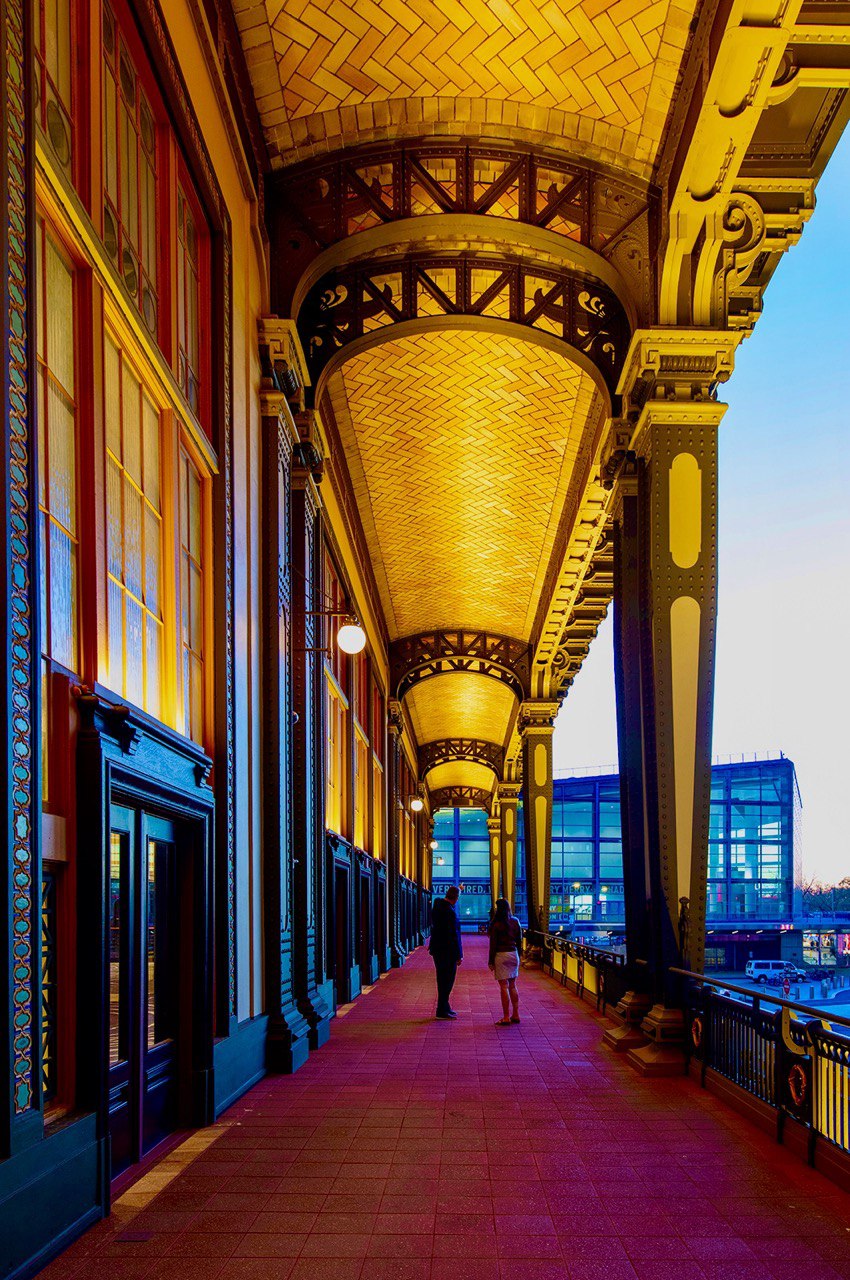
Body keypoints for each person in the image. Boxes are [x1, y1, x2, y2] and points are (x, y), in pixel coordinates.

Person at [429, 885, 463, 1019]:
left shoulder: (438, 907)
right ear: (456, 898)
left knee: (442, 979)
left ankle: (444, 1006)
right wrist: (459, 954)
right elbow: (454, 935)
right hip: (448, 951)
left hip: (437, 949)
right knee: (447, 980)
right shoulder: (450, 912)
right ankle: (442, 1009)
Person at [488, 897, 522, 1025]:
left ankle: (506, 1016)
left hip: (501, 955)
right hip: (513, 953)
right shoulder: (515, 921)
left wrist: (491, 961)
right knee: (513, 985)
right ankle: (516, 1014)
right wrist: (518, 955)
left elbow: (493, 944)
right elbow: (519, 940)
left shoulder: (496, 924)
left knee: (504, 986)